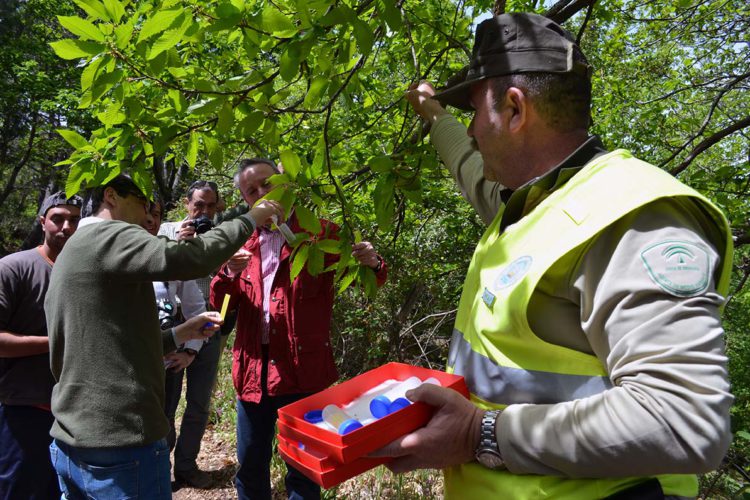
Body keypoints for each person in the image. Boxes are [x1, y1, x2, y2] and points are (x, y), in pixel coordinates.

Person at [373, 12, 734, 499]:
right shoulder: (530, 205)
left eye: (478, 112)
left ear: (516, 110)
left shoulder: (633, 216)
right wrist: (436, 116)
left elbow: (684, 420)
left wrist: (477, 434)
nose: (474, 131)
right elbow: (469, 166)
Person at [45, 175, 284, 499]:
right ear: (111, 196)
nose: (147, 215)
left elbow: (108, 344)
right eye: (143, 204)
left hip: (71, 440)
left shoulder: (75, 249)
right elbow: (188, 259)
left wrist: (180, 333)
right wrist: (252, 218)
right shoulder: (108, 235)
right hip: (120, 441)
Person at [210, 158, 388, 499]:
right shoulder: (239, 242)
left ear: (285, 183)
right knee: (250, 465)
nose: (262, 193)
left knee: (305, 469)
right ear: (245, 201)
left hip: (304, 372)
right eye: (252, 191)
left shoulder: (322, 234)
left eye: (267, 183)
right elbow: (218, 301)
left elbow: (371, 281)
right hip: (253, 373)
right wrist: (228, 273)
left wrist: (373, 262)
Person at [0, 191, 82, 500]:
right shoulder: (14, 269)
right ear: (42, 221)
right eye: (57, 219)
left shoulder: (85, 273)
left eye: (74, 220)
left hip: (75, 413)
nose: (66, 227)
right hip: (25, 410)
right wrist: (57, 343)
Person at [157, 179, 230, 487]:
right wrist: (178, 244)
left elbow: (230, 283)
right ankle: (160, 467)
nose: (204, 212)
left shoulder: (222, 237)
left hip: (209, 329)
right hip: (171, 329)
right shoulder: (164, 231)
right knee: (165, 405)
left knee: (199, 403)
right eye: (199, 205)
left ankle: (186, 466)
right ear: (187, 203)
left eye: (211, 206)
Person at [143, 198, 212, 486]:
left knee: (165, 420)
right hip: (131, 363)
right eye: (145, 214)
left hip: (167, 360)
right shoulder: (113, 256)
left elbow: (197, 307)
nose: (150, 220)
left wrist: (190, 353)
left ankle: (159, 477)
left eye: (156, 214)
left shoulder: (173, 256)